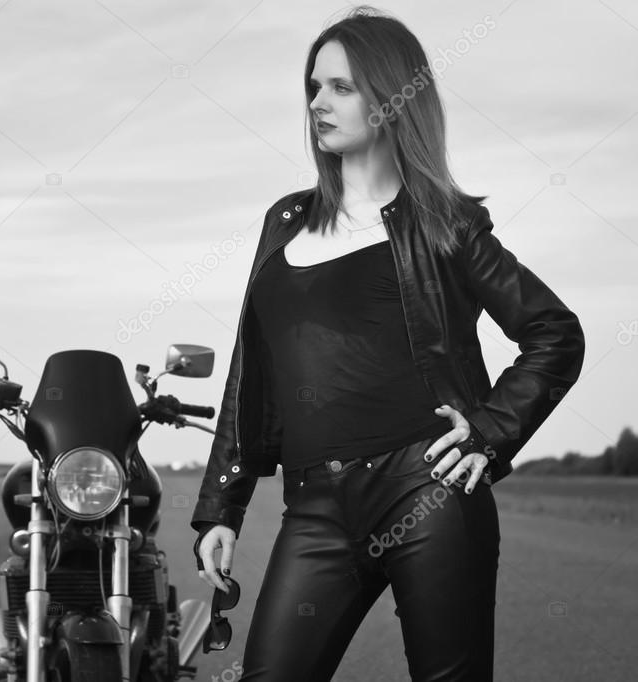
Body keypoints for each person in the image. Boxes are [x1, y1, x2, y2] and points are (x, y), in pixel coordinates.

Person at [190, 6, 585, 681]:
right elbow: (249, 365)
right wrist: (220, 506)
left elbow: (554, 333)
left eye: (341, 87)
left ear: (393, 95)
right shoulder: (283, 221)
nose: (318, 102)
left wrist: (489, 433)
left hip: (424, 491)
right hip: (313, 506)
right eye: (313, 86)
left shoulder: (441, 225)